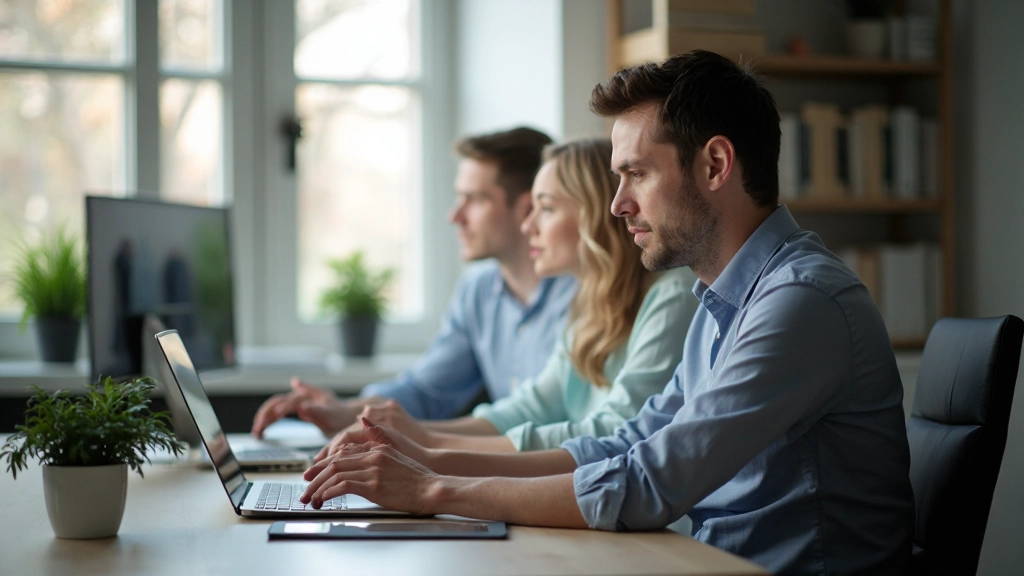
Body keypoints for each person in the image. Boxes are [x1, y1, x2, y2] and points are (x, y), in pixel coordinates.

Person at [297, 51, 915, 576]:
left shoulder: (799, 302)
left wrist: (435, 489)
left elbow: (648, 483)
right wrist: (426, 462)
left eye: (636, 174)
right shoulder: (721, 301)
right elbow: (625, 442)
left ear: (715, 165)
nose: (617, 205)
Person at [319, 139, 697, 456]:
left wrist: (432, 443)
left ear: (595, 216)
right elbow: (532, 406)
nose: (528, 225)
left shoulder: (671, 296)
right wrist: (410, 434)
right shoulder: (591, 302)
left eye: (545, 209)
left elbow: (618, 432)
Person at [251, 127, 577, 438]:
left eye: (474, 199)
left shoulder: (585, 293)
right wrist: (346, 412)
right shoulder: (477, 293)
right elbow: (426, 391)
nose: (455, 216)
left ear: (526, 207)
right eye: (459, 198)